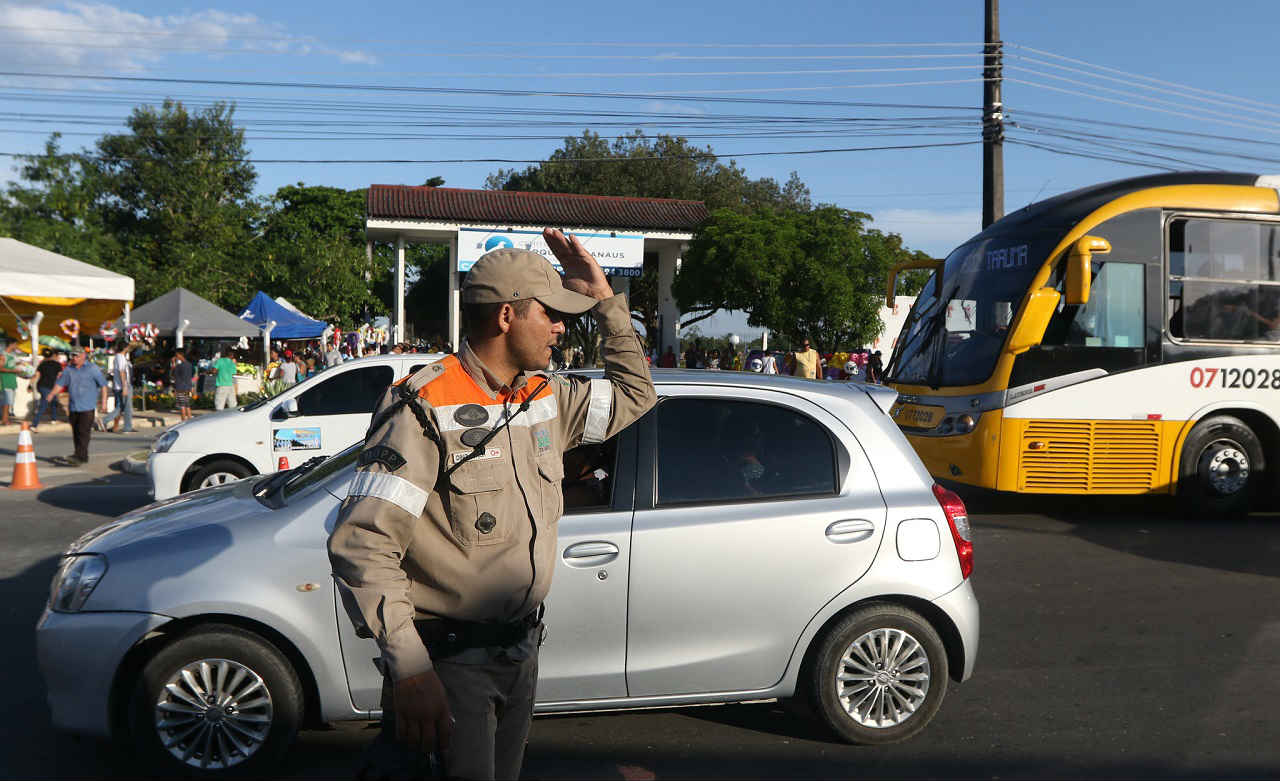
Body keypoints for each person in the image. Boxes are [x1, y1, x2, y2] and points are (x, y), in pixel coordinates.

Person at [328, 229, 656, 781]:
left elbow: (635, 395)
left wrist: (605, 302)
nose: (559, 327)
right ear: (507, 315)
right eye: (550, 313)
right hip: (448, 667)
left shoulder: (542, 395)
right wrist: (410, 670)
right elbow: (363, 544)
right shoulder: (424, 404)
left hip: (519, 652)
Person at [45, 347, 107, 465]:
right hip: (73, 406)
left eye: (76, 356)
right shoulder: (68, 370)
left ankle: (79, 456)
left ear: (83, 356)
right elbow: (60, 384)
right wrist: (52, 394)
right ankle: (81, 456)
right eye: (72, 356)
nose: (74, 358)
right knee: (76, 432)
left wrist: (104, 402)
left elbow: (103, 385)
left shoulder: (92, 368)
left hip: (87, 406)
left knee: (83, 432)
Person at [101, 343, 135, 434]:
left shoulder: (120, 357)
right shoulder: (120, 357)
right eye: (128, 347)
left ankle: (128, 426)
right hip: (122, 386)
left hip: (122, 385)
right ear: (125, 348)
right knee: (123, 407)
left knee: (125, 407)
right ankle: (105, 420)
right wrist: (124, 386)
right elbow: (122, 371)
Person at [32, 349, 64, 430]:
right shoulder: (57, 364)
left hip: (41, 386)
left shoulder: (42, 364)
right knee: (45, 404)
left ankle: (54, 419)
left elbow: (36, 375)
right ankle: (34, 424)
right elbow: (60, 376)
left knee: (53, 401)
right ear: (53, 355)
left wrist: (30, 385)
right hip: (51, 386)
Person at [0, 341, 23, 425]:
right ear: (11, 344)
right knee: (6, 401)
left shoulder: (12, 356)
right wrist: (13, 370)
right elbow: (0, 368)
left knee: (8, 402)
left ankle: (5, 419)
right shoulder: (3, 355)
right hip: (5, 381)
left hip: (12, 380)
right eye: (15, 344)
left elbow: (12, 365)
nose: (16, 346)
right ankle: (5, 420)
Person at [170, 350, 196, 421]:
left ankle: (183, 421)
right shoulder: (190, 365)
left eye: (176, 355)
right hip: (188, 387)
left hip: (180, 388)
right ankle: (189, 419)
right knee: (187, 404)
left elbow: (172, 374)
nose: (176, 357)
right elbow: (192, 375)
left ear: (180, 355)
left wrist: (173, 363)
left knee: (182, 405)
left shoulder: (179, 366)